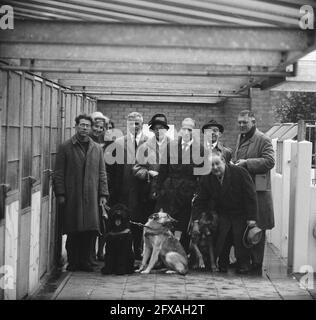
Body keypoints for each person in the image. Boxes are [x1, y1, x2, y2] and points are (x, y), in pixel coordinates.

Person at [53, 114, 108, 272]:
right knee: (73, 230)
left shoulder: (96, 148)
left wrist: (103, 194)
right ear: (76, 126)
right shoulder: (66, 147)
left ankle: (87, 261)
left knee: (91, 231)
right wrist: (61, 194)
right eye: (82, 125)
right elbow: (59, 173)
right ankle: (73, 262)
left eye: (87, 126)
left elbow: (102, 173)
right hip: (73, 195)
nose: (85, 128)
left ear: (91, 128)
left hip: (91, 196)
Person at [192, 151, 258, 274]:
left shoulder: (240, 173)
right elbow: (200, 200)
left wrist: (252, 218)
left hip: (241, 213)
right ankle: (222, 263)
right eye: (211, 165)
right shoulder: (207, 178)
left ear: (223, 161)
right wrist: (195, 221)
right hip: (222, 213)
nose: (215, 167)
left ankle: (243, 263)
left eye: (217, 163)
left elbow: (251, 196)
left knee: (240, 239)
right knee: (222, 238)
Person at [233, 110, 275, 275]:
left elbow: (270, 161)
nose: (242, 125)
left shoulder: (263, 139)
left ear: (253, 121)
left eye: (245, 122)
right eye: (240, 123)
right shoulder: (240, 137)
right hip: (245, 190)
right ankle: (244, 261)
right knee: (245, 226)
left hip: (258, 192)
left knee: (257, 227)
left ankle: (256, 264)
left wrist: (246, 163)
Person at [154, 118, 204, 252]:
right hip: (169, 191)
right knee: (167, 224)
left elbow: (202, 175)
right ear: (180, 130)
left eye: (190, 129)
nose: (186, 132)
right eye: (184, 129)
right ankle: (163, 254)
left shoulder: (200, 150)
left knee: (183, 224)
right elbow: (163, 169)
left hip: (188, 192)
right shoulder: (171, 146)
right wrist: (157, 189)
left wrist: (198, 193)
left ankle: (181, 252)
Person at [113, 112, 148, 260]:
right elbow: (114, 168)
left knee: (139, 220)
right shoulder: (119, 142)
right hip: (124, 189)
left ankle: (138, 250)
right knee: (124, 219)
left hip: (142, 189)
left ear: (142, 124)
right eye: (131, 123)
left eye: (137, 123)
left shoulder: (149, 142)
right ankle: (124, 252)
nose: (134, 126)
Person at [133, 114, 172, 228]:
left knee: (164, 226)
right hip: (148, 192)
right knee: (148, 224)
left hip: (167, 193)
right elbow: (136, 168)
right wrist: (148, 173)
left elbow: (178, 170)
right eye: (156, 128)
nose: (159, 131)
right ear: (152, 130)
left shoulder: (175, 146)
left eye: (162, 128)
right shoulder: (144, 147)